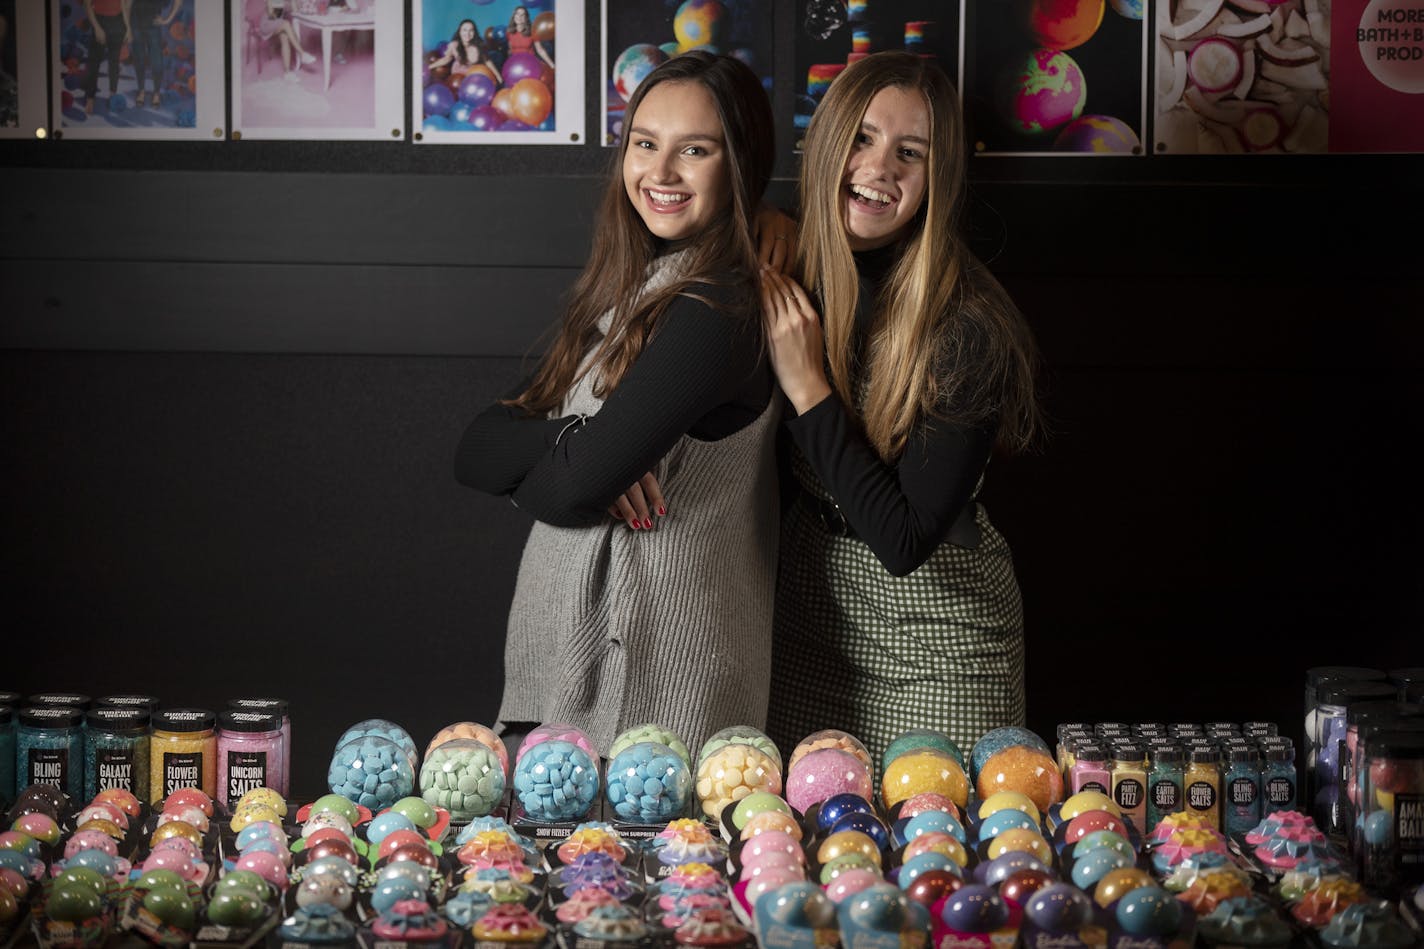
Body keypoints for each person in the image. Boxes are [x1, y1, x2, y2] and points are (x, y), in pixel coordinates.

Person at [454, 51, 779, 758]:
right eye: (645, 144)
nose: (660, 173)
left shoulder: (716, 308)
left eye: (694, 150)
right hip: (575, 675)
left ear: (741, 165)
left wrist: (575, 460)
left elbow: (576, 487)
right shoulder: (623, 295)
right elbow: (474, 449)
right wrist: (574, 438)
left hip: (656, 689)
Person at [759, 51, 1042, 766]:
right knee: (801, 854)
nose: (879, 167)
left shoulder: (967, 323)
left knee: (942, 857)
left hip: (937, 636)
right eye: (862, 137)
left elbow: (905, 538)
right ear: (828, 146)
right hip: (809, 618)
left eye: (909, 152)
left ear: (935, 179)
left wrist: (808, 388)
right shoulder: (794, 265)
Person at [126, 0, 183, 108]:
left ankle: (156, 93)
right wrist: (128, 28)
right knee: (139, 59)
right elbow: (127, 3)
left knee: (157, 62)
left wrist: (167, 20)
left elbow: (178, 1)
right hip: (135, 25)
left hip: (153, 26)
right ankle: (141, 91)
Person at [81, 0, 131, 115]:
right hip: (100, 21)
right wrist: (97, 28)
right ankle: (90, 98)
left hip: (118, 22)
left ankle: (113, 95)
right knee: (94, 63)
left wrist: (128, 28)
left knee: (114, 62)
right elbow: (87, 5)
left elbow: (123, 4)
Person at [258, 0, 316, 83]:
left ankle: (287, 73)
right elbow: (272, 17)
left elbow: (296, 12)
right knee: (286, 24)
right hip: (267, 24)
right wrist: (281, 5)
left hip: (278, 24)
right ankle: (302, 53)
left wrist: (292, 2)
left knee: (284, 37)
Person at [430, 18, 502, 85]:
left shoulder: (479, 46)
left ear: (474, 32)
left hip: (474, 76)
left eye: (471, 30)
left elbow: (488, 62)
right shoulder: (454, 45)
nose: (467, 33)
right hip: (458, 78)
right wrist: (430, 67)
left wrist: (498, 77)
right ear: (460, 32)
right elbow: (446, 59)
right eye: (464, 30)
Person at [506, 6, 555, 71]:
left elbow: (540, 50)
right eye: (517, 14)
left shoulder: (532, 31)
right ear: (514, 16)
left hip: (530, 64)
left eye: (522, 15)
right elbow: (510, 50)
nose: (519, 17)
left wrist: (552, 65)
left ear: (526, 18)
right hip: (516, 66)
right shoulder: (509, 32)